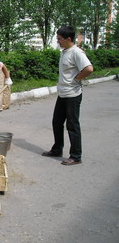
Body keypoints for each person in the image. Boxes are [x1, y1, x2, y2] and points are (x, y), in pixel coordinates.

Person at [42, 26, 93, 165]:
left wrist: (76, 79)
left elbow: (89, 68)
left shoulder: (77, 52)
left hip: (73, 95)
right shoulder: (64, 51)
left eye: (59, 39)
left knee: (72, 125)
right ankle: (57, 149)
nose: (58, 41)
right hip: (63, 94)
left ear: (68, 39)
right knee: (57, 122)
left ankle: (76, 156)